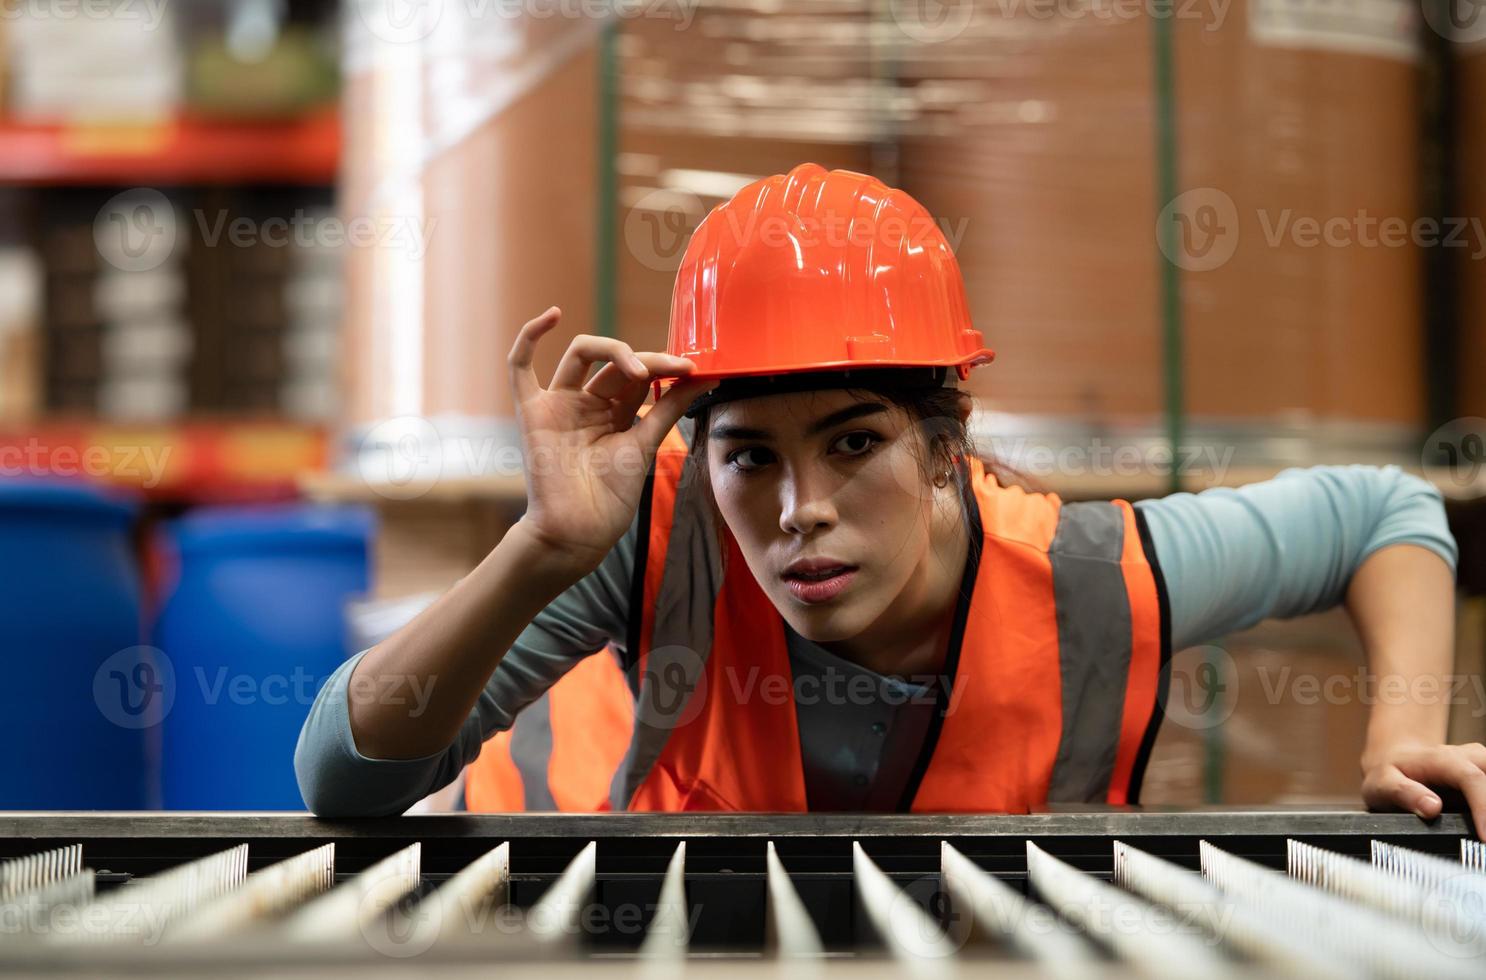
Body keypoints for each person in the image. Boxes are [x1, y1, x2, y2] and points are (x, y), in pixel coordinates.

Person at [296, 163, 1476, 829]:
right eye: (749, 453)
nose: (799, 505)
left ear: (947, 441)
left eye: (854, 441)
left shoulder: (1085, 579)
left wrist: (1403, 739)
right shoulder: (651, 533)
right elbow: (343, 782)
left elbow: (1383, 513)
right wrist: (542, 549)